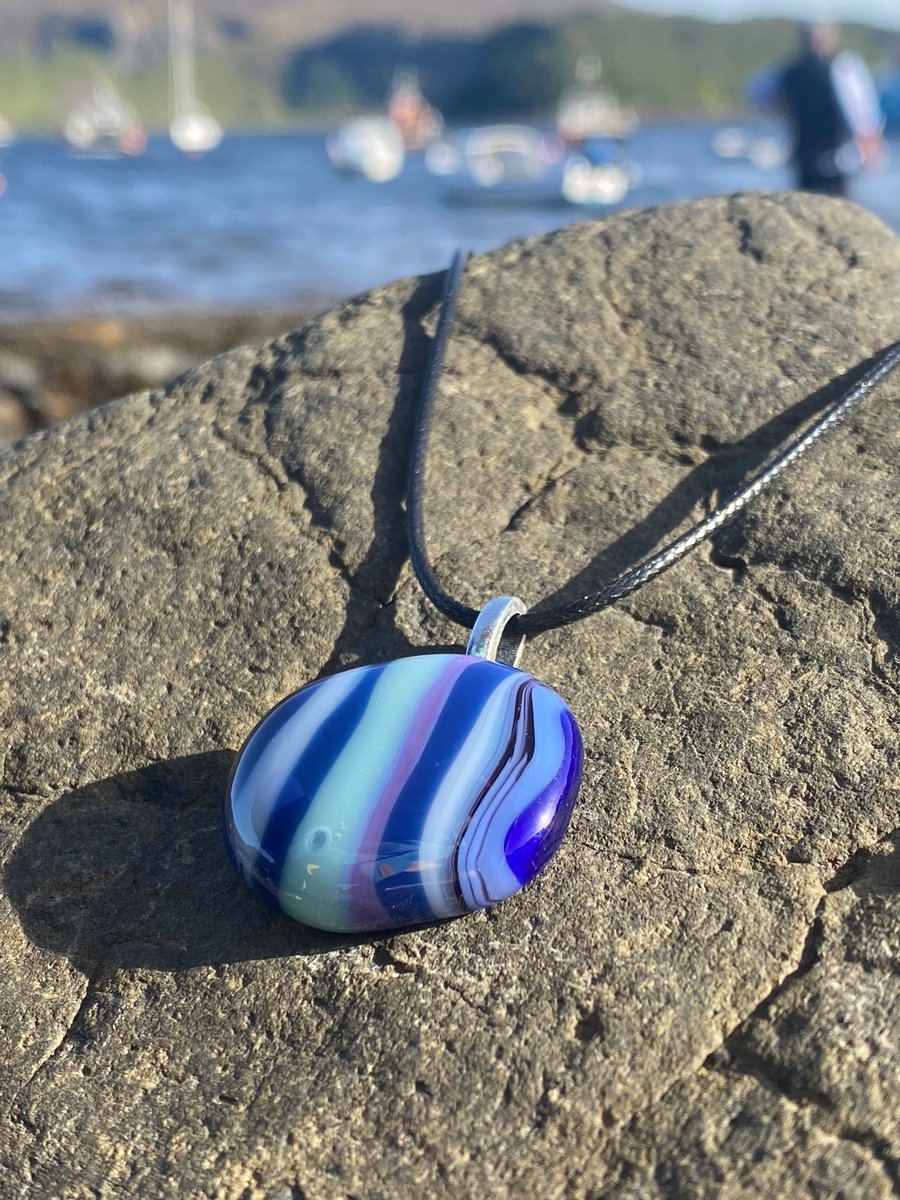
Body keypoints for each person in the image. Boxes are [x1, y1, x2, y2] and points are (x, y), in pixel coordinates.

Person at [777, 24, 884, 196]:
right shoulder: (841, 68)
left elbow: (765, 98)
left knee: (807, 204)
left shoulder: (789, 70)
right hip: (835, 155)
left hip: (804, 154)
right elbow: (858, 111)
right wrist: (870, 145)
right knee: (837, 206)